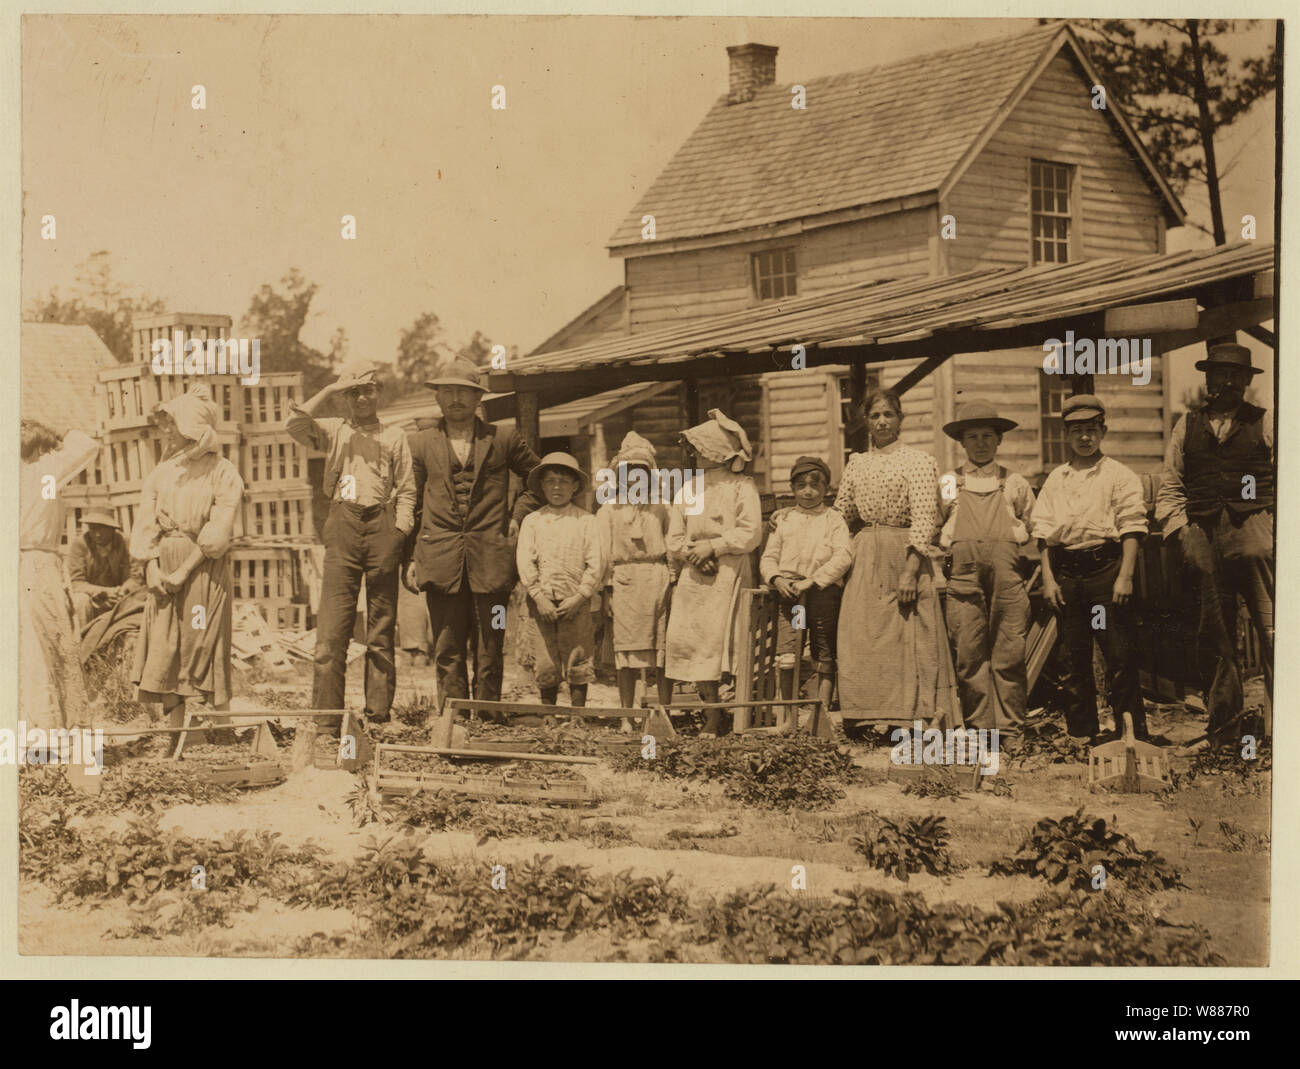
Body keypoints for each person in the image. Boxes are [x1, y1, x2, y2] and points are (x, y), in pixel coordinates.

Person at [404, 358, 541, 712]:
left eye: (463, 392)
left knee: (492, 637)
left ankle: (488, 713)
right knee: (446, 642)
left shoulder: (503, 438)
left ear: (477, 398)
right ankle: (455, 715)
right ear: (437, 398)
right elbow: (410, 501)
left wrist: (518, 515)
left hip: (493, 560)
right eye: (447, 391)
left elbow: (539, 479)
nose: (455, 399)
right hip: (440, 559)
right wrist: (410, 558)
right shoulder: (418, 444)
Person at [286, 366, 416, 727]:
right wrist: (329, 387)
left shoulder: (395, 435)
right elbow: (294, 425)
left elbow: (406, 490)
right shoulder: (334, 430)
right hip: (343, 522)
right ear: (345, 397)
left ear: (379, 393)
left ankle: (377, 717)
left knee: (380, 632)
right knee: (331, 634)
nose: (361, 398)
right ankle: (327, 721)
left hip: (382, 525)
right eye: (354, 392)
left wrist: (399, 533)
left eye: (368, 390)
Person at [1155, 342, 1273, 737]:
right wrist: (1183, 532)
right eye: (1218, 375)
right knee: (1216, 636)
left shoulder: (1266, 421)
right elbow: (1170, 485)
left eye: (1235, 376)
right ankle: (1225, 729)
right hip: (1204, 536)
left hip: (1254, 535)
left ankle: (1284, 729)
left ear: (1245, 381)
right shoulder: (1186, 425)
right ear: (1207, 379)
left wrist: (1272, 530)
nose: (1226, 382)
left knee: (1274, 629)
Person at [834, 388, 960, 733]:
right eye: (875, 416)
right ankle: (868, 715)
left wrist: (910, 571)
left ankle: (913, 717)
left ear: (900, 419)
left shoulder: (918, 461)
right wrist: (794, 519)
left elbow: (925, 518)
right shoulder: (857, 462)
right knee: (862, 634)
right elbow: (840, 514)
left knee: (908, 636)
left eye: (888, 414)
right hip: (864, 554)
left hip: (903, 554)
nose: (882, 421)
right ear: (866, 422)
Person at [1033, 394, 1148, 742]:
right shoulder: (1057, 479)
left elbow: (1132, 527)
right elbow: (1043, 535)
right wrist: (1050, 581)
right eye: (1077, 431)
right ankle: (1082, 735)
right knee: (1072, 658)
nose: (1084, 437)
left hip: (1105, 574)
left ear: (1103, 431)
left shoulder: (1119, 475)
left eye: (1091, 430)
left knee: (1118, 655)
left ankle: (1130, 736)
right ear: (1066, 434)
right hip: (1068, 575)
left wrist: (1124, 576)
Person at [131, 385, 245, 725]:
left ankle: (221, 725)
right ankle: (175, 728)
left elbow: (218, 529)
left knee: (201, 637)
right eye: (165, 424)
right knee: (167, 642)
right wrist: (151, 565)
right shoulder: (162, 472)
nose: (166, 432)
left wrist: (183, 571)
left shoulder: (223, 472)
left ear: (194, 430)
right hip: (164, 563)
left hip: (201, 566)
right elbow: (145, 523)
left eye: (173, 425)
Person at [937, 400, 1036, 732]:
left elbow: (1036, 528)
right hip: (963, 576)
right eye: (973, 436)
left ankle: (1011, 731)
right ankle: (981, 730)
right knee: (969, 655)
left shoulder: (1016, 482)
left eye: (987, 436)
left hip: (1008, 576)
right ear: (962, 442)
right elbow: (933, 526)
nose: (980, 442)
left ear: (999, 440)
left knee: (1009, 653)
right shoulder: (950, 482)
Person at [664, 409, 762, 737]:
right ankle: (711, 714)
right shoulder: (689, 489)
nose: (694, 454)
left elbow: (750, 532)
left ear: (715, 449)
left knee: (726, 643)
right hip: (695, 577)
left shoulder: (741, 487)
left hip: (729, 574)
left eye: (699, 448)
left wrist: (715, 547)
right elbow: (675, 536)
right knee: (696, 642)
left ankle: (736, 713)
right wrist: (693, 555)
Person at [759, 455, 851, 732]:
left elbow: (843, 556)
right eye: (801, 486)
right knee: (789, 654)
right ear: (792, 488)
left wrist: (814, 581)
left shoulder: (833, 519)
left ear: (826, 489)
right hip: (791, 598)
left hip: (821, 594)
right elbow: (769, 557)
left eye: (815, 485)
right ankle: (787, 718)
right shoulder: (785, 520)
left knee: (823, 652)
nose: (808, 492)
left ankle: (819, 718)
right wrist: (776, 579)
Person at [20, 420, 99, 730]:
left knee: (23, 645)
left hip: (17, 562)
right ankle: (51, 725)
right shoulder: (46, 471)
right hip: (39, 565)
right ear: (40, 449)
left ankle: (26, 726)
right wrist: (63, 429)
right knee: (49, 643)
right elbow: (87, 446)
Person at [597, 431, 676, 711]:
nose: (634, 479)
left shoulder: (662, 507)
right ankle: (627, 714)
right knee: (626, 652)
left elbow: (673, 545)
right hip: (625, 582)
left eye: (640, 473)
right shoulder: (609, 510)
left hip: (657, 580)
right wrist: (606, 590)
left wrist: (673, 582)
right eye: (628, 473)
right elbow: (603, 553)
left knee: (661, 651)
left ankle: (663, 711)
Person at [517, 453, 603, 707]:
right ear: (542, 485)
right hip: (542, 603)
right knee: (545, 663)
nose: (557, 487)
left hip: (576, 602)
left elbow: (596, 563)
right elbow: (524, 561)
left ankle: (577, 719)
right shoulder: (532, 521)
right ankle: (549, 719)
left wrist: (580, 597)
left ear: (575, 486)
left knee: (578, 659)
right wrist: (538, 596)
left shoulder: (586, 521)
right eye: (551, 481)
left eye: (564, 481)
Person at [67, 507, 143, 629]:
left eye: (102, 529)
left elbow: (135, 577)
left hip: (119, 597)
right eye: (92, 528)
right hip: (93, 598)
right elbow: (77, 583)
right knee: (81, 601)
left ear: (112, 529)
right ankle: (85, 641)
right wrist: (104, 592)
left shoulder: (125, 542)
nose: (97, 534)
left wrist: (121, 591)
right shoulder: (80, 544)